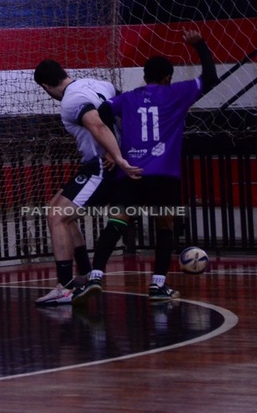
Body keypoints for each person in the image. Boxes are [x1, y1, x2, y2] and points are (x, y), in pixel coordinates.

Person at [72, 29, 217, 303]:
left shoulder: (127, 98)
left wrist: (112, 149)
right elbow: (210, 78)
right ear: (167, 77)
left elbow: (102, 112)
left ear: (144, 76)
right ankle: (158, 285)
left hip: (131, 172)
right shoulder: (177, 93)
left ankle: (95, 277)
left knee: (116, 223)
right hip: (164, 175)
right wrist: (200, 45)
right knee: (164, 227)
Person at [32, 59, 142, 306]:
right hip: (99, 164)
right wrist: (120, 147)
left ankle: (65, 287)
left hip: (101, 168)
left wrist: (117, 156)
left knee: (57, 216)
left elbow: (97, 124)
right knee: (55, 208)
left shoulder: (71, 101)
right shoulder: (99, 84)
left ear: (46, 87)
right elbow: (130, 111)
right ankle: (83, 274)